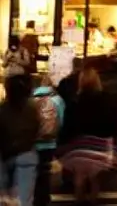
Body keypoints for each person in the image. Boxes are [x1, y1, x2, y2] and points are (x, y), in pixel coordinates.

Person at [54, 68, 117, 206]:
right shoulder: (108, 100)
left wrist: (59, 146)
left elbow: (67, 127)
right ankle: (93, 199)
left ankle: (79, 199)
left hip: (77, 149)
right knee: (95, 176)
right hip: (100, 147)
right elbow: (113, 124)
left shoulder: (75, 102)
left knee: (79, 176)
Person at [0, 75, 41, 206]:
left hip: (4, 156)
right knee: (24, 201)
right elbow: (37, 129)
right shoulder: (32, 109)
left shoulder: (2, 110)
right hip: (27, 154)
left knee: (3, 198)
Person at [32, 75, 65, 206]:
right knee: (45, 172)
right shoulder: (57, 99)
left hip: (34, 143)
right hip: (50, 143)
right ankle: (45, 199)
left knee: (35, 171)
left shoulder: (30, 100)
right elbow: (61, 121)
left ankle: (35, 198)